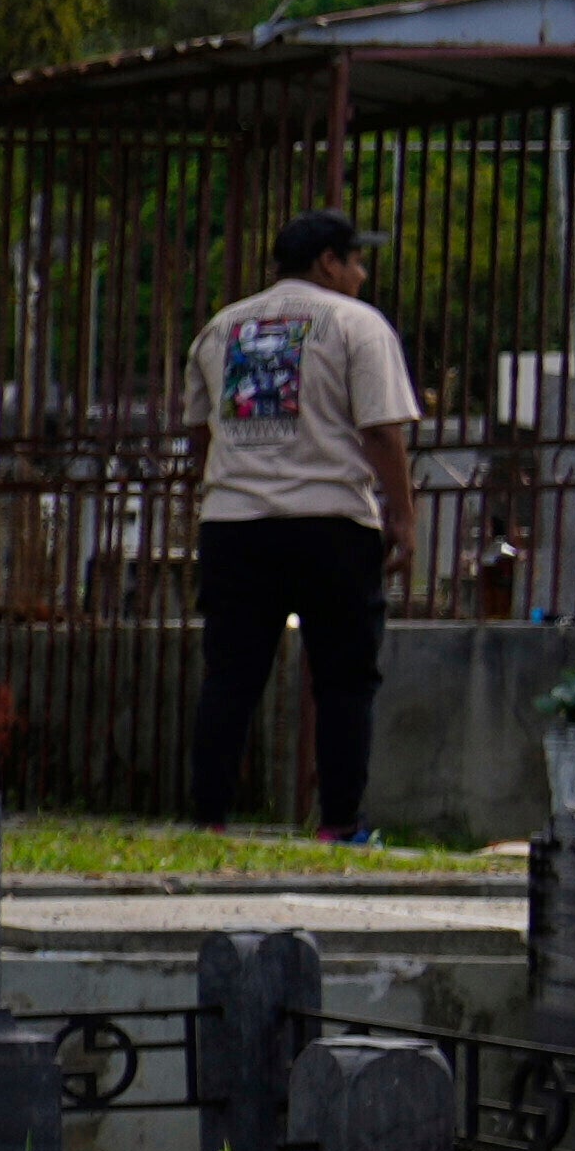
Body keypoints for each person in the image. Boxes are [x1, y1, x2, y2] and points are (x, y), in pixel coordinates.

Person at [185, 209, 417, 842]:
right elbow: (382, 431)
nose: (362, 275)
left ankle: (208, 819)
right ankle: (340, 823)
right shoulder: (356, 324)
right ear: (328, 263)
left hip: (235, 525)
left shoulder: (222, 328)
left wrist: (227, 483)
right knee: (344, 678)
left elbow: (198, 430)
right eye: (356, 262)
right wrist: (402, 518)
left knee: (231, 675)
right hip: (330, 524)